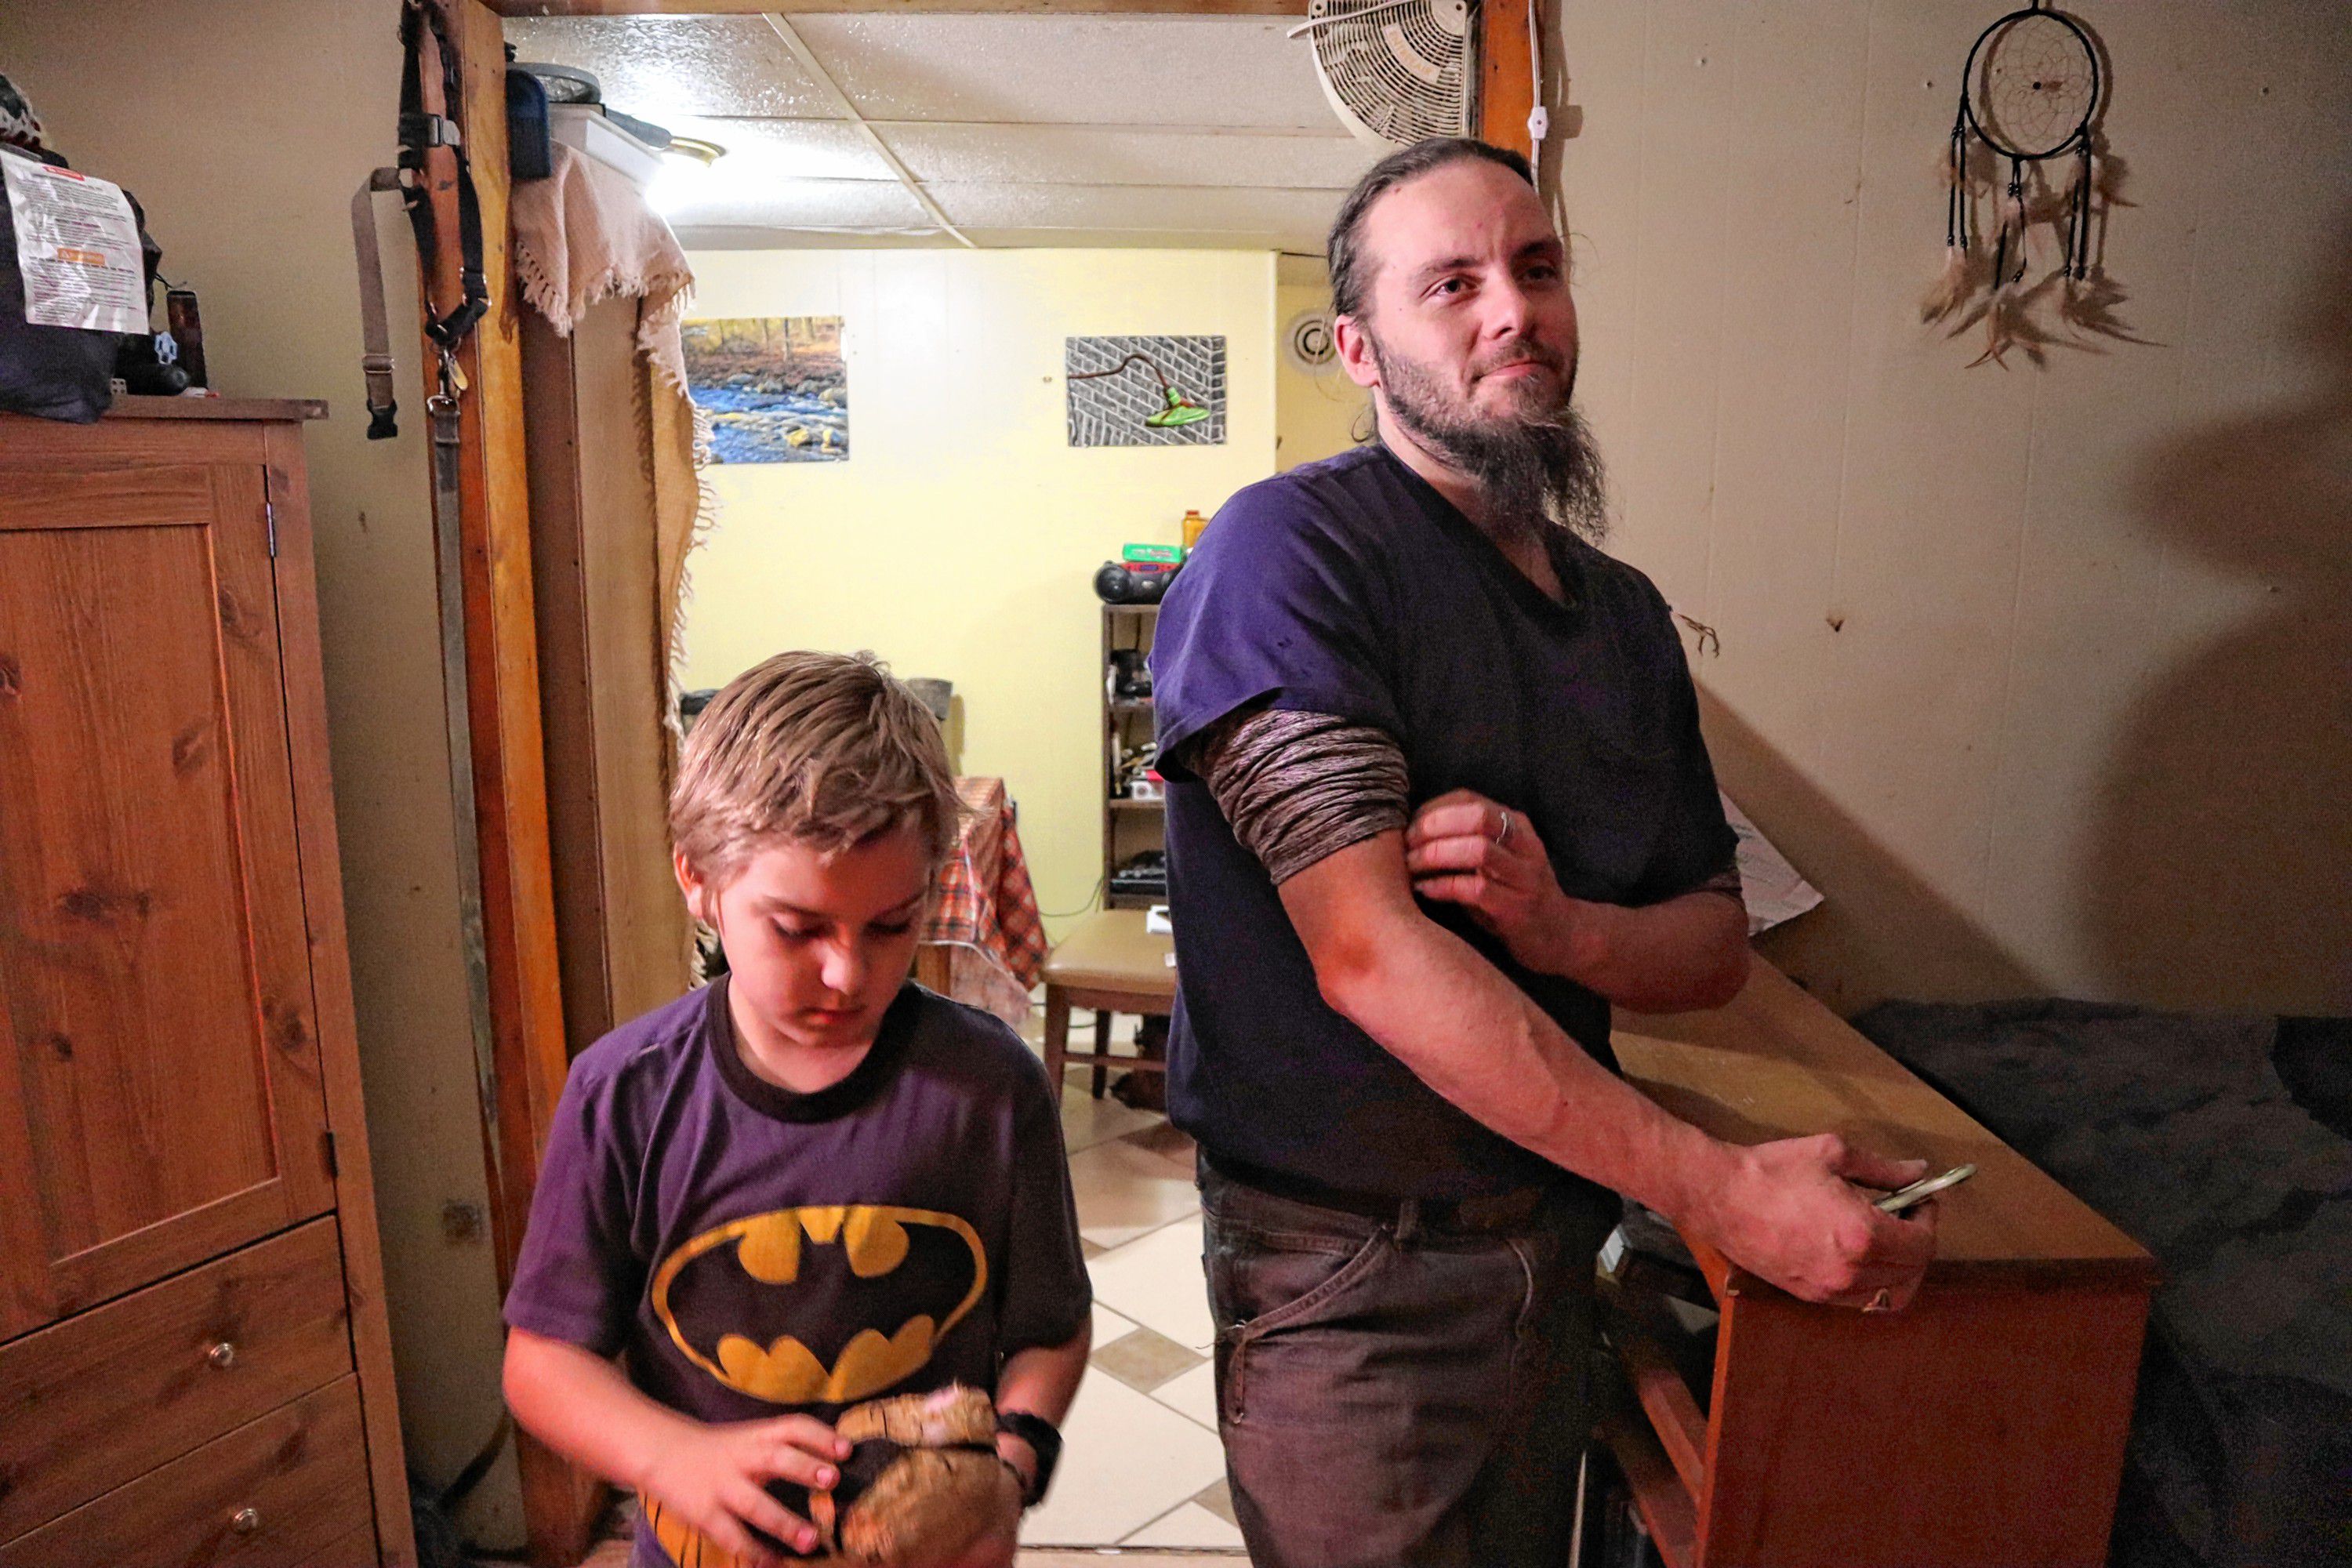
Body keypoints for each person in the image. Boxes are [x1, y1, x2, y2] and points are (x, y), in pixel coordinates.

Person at [1149, 138, 1941, 1568]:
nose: (1512, 310)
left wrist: (1569, 930)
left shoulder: (1625, 615)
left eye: (1538, 267)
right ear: (1362, 349)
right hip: (1348, 1277)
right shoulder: (1288, 556)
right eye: (1450, 283)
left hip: (1562, 1231)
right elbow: (1368, 954)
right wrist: (1719, 1186)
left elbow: (1708, 939)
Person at [502, 651, 1091, 1568]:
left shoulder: (993, 1087)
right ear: (698, 879)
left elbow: (1049, 1326)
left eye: (890, 925)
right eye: (798, 927)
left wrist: (1013, 1462)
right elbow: (543, 1365)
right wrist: (672, 1455)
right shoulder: (624, 1093)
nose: (848, 973)